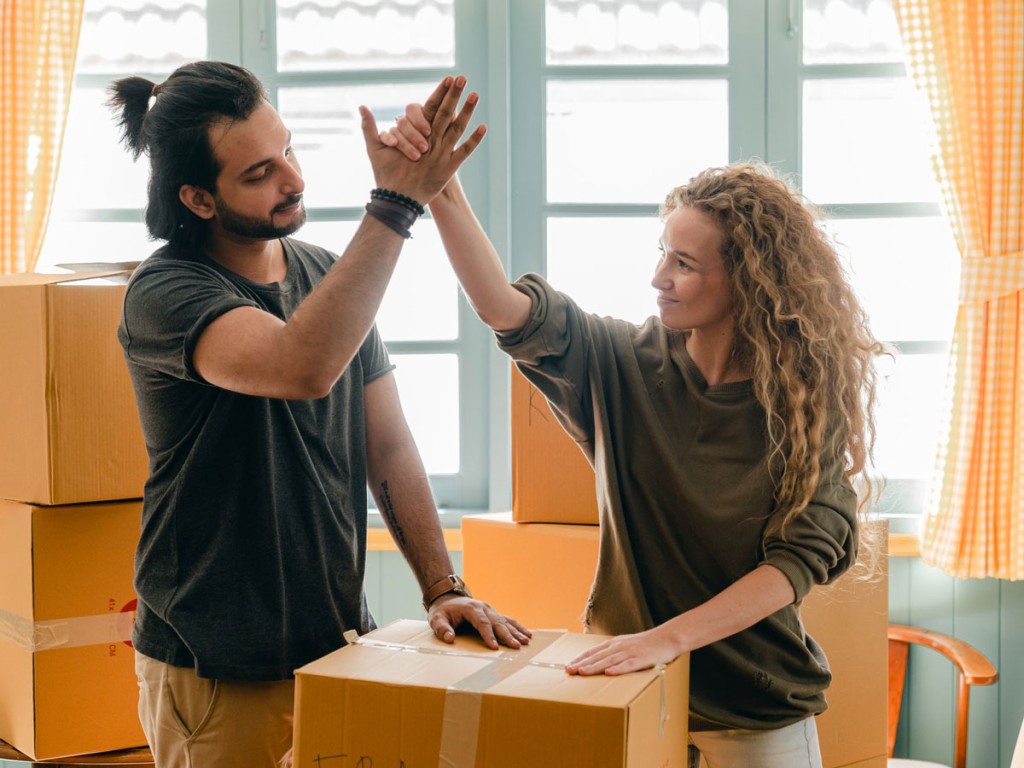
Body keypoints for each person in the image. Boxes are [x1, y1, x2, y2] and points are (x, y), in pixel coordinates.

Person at [384, 83, 885, 768]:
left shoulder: (802, 400)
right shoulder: (619, 361)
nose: (658, 277)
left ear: (751, 281)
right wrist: (440, 192)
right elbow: (505, 309)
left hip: (754, 708)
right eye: (662, 253)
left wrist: (667, 638)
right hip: (625, 686)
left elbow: (794, 564)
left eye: (684, 263)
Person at [106, 63, 530, 768]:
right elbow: (300, 368)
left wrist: (442, 586)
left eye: (290, 150)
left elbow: (387, 446)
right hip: (216, 668)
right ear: (198, 199)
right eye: (259, 173)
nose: (293, 179)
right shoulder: (166, 291)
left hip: (339, 648)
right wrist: (394, 204)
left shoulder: (327, 274)